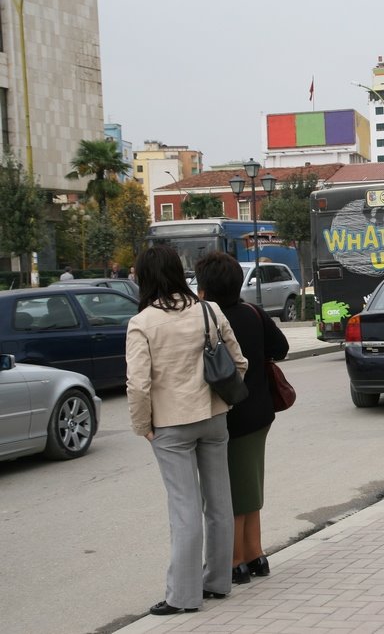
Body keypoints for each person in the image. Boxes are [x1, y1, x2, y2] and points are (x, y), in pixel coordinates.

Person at [126, 245, 247, 615]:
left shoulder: (142, 323)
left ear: (145, 278)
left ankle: (183, 596)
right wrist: (223, 401)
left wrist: (143, 426)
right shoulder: (208, 310)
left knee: (184, 510)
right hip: (213, 417)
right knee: (220, 502)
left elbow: (138, 385)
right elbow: (239, 362)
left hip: (170, 425)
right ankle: (218, 582)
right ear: (177, 273)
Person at [194, 252, 289, 585]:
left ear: (204, 288)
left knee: (232, 491)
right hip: (260, 412)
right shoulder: (253, 312)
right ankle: (255, 554)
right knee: (250, 483)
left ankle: (236, 561)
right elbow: (281, 348)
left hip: (228, 415)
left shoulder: (207, 320)